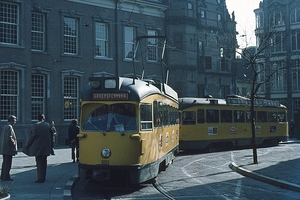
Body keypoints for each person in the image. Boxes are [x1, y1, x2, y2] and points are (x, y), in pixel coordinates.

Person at [25, 114, 51, 183]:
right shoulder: (47, 125)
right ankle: (44, 176)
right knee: (44, 162)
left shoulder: (36, 125)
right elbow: (51, 135)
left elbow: (33, 136)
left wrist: (28, 143)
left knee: (39, 162)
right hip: (46, 146)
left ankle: (40, 178)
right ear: (43, 118)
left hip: (38, 147)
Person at [0, 115, 17, 181]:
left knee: (5, 162)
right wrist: (14, 143)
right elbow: (9, 138)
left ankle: (3, 176)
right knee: (8, 163)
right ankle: (6, 177)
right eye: (15, 120)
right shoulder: (9, 127)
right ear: (11, 120)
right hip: (8, 148)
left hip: (5, 148)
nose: (15, 122)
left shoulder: (5, 126)